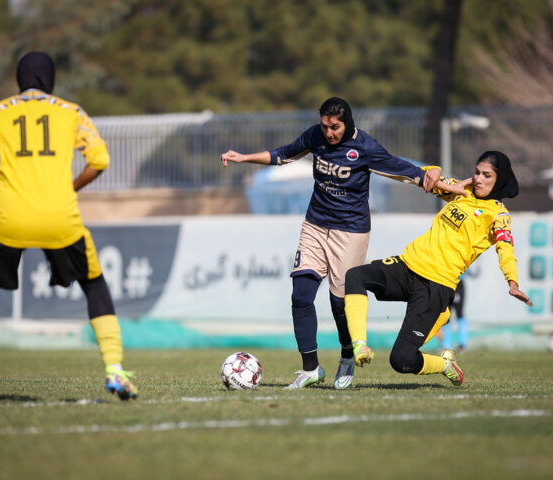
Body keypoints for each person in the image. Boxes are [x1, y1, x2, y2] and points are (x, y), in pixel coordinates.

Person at [220, 97, 453, 389]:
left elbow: (401, 169)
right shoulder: (315, 137)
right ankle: (310, 368)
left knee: (340, 303)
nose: (329, 132)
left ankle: (346, 355)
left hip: (351, 232)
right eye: (325, 125)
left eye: (335, 127)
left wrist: (437, 177)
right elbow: (283, 154)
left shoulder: (365, 148)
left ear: (347, 123)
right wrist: (243, 157)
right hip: (315, 225)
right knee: (300, 294)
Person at [0, 52, 137, 404]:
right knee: (94, 284)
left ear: (19, 79)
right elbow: (100, 159)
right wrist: (71, 187)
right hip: (61, 219)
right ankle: (114, 369)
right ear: (50, 80)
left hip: (8, 219)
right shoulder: (71, 112)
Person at [343, 151, 533, 386]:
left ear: (499, 179)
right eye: (476, 173)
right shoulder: (461, 191)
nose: (479, 179)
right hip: (408, 265)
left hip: (437, 286)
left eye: (487, 175)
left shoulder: (499, 215)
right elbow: (422, 178)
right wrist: (435, 170)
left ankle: (445, 364)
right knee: (355, 276)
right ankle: (360, 345)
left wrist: (512, 282)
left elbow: (506, 248)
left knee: (401, 359)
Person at [440, 277, 468, 352]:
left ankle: (463, 344)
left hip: (458, 282)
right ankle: (446, 345)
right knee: (446, 315)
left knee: (460, 314)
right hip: (447, 282)